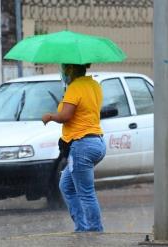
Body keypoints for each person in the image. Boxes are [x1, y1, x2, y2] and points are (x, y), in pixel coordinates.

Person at [42, 63, 106, 232]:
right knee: (67, 186)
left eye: (64, 69)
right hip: (96, 142)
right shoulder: (94, 85)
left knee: (85, 192)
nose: (63, 72)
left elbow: (65, 116)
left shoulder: (75, 87)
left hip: (82, 146)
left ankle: (95, 231)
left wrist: (50, 116)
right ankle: (82, 227)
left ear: (70, 70)